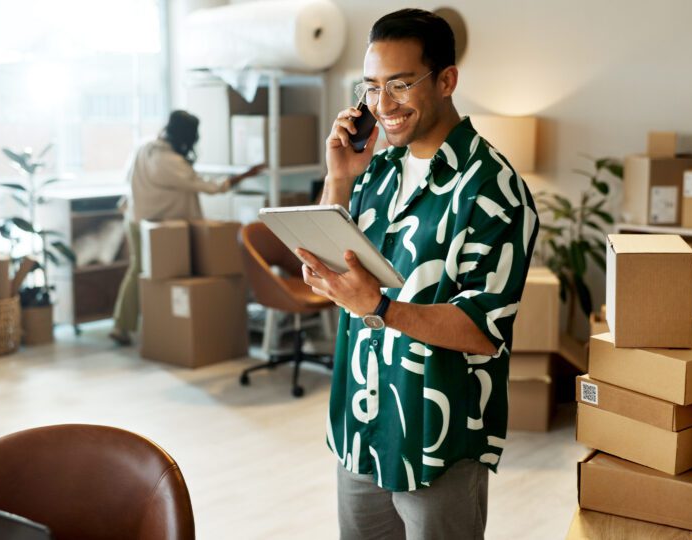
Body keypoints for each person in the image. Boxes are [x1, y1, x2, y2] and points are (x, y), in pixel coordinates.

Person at [297, 9, 539, 539]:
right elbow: (324, 259)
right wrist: (338, 180)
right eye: (372, 88)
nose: (383, 106)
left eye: (400, 85)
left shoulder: (494, 189)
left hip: (439, 438)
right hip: (360, 423)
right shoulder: (374, 171)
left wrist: (381, 308)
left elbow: (483, 328)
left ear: (447, 80)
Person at [110, 110, 263, 345]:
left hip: (135, 219)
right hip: (159, 229)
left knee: (139, 271)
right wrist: (245, 175)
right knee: (157, 276)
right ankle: (134, 326)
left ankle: (131, 325)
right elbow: (209, 187)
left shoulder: (145, 147)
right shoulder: (170, 162)